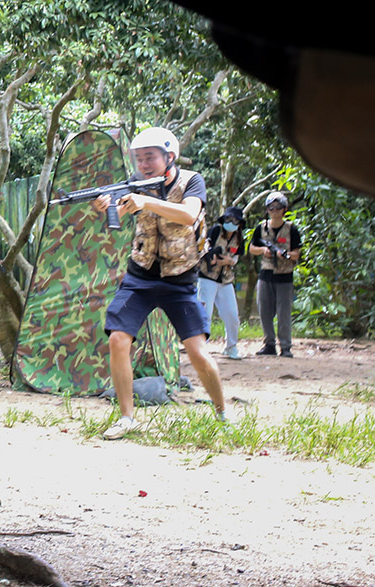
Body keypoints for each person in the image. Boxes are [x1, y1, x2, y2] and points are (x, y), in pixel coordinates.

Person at [93, 127, 228, 440]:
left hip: (180, 279)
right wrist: (105, 205)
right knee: (117, 339)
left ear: (170, 156)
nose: (143, 163)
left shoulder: (192, 181)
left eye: (149, 157)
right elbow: (123, 209)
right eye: (139, 158)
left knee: (196, 352)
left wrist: (146, 201)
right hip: (139, 275)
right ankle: (127, 418)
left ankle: (222, 412)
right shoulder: (136, 186)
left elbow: (189, 215)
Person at [248, 191, 302, 358]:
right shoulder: (261, 228)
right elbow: (251, 248)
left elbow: (296, 254)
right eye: (271, 207)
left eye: (278, 207)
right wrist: (264, 250)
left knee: (284, 312)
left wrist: (284, 254)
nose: (275, 210)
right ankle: (269, 344)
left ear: (284, 209)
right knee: (264, 311)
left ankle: (285, 347)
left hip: (285, 275)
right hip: (266, 274)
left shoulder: (291, 229)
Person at [198, 206, 246, 360]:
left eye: (234, 220)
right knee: (205, 314)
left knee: (232, 314)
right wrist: (212, 258)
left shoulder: (239, 237)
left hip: (226, 280)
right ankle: (200, 348)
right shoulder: (215, 231)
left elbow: (236, 258)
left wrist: (228, 261)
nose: (231, 222)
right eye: (228, 219)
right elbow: (203, 248)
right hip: (207, 277)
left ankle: (231, 347)